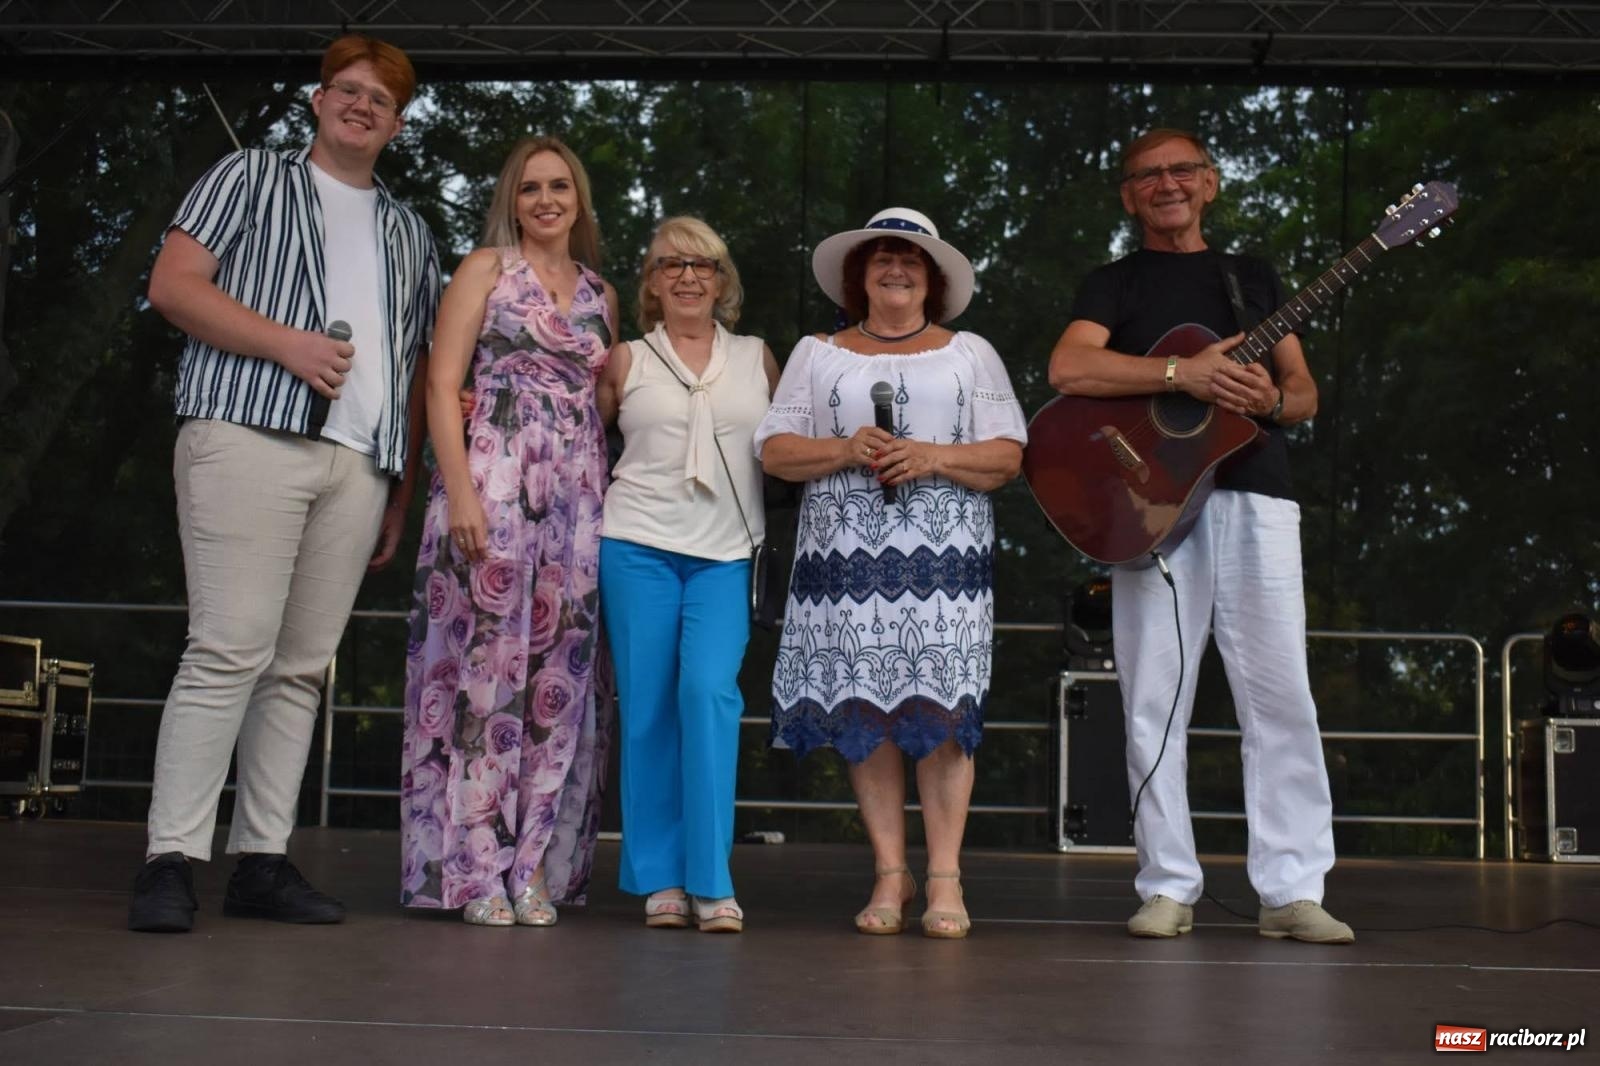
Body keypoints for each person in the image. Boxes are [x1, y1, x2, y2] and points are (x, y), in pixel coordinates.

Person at [130, 35, 439, 933]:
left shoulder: (409, 230)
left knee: (301, 670)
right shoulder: (249, 176)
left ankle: (261, 858)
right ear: (316, 99)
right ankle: (170, 858)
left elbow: (416, 367)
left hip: (358, 461)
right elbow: (173, 284)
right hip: (246, 432)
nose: (360, 106)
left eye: (378, 100)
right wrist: (285, 343)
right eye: (347, 90)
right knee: (228, 646)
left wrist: (400, 486)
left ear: (397, 122)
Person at [1047, 127, 1354, 944]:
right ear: (1127, 195)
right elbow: (1070, 369)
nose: (1166, 183)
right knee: (1153, 696)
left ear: (1211, 183)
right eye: (1147, 174)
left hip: (1257, 492)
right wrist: (1182, 375)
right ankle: (1167, 885)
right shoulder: (1112, 283)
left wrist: (1267, 398)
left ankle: (1292, 890)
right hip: (1150, 503)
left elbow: (1304, 391)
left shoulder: (1251, 277)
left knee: (1281, 693)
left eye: (1182, 170)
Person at [755, 208, 1026, 939]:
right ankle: (889, 872)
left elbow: (1007, 456)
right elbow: (774, 451)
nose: (895, 268)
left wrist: (935, 456)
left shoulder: (971, 353)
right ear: (859, 274)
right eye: (880, 257)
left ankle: (944, 877)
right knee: (865, 713)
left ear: (932, 277)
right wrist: (845, 450)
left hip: (944, 569)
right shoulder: (818, 353)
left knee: (941, 715)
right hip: (844, 563)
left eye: (910, 257)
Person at [399, 136, 617, 928]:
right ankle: (472, 870)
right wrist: (459, 493)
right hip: (490, 482)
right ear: (512, 200)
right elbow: (440, 382)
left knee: (559, 683)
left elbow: (605, 408)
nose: (547, 200)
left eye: (561, 185)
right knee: (485, 675)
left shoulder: (600, 292)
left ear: (580, 198)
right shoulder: (485, 270)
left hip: (578, 501)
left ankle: (533, 871)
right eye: (531, 188)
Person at [596, 217, 780, 934]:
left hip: (727, 554)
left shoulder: (760, 357)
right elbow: (581, 435)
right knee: (647, 708)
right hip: (636, 545)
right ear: (651, 282)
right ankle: (660, 878)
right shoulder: (624, 359)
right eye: (670, 264)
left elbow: (788, 446)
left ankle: (712, 878)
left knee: (707, 694)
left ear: (723, 280)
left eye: (703, 264)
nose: (688, 276)